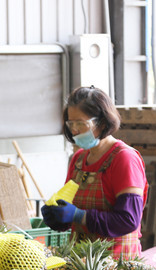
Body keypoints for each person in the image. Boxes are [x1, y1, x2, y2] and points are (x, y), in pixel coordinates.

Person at [41, 86, 148, 259]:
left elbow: (128, 220)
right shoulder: (78, 160)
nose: (74, 130)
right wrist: (57, 216)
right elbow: (70, 211)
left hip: (117, 267)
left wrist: (79, 216)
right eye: (71, 124)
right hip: (82, 264)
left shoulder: (124, 159)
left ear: (103, 123)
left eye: (81, 124)